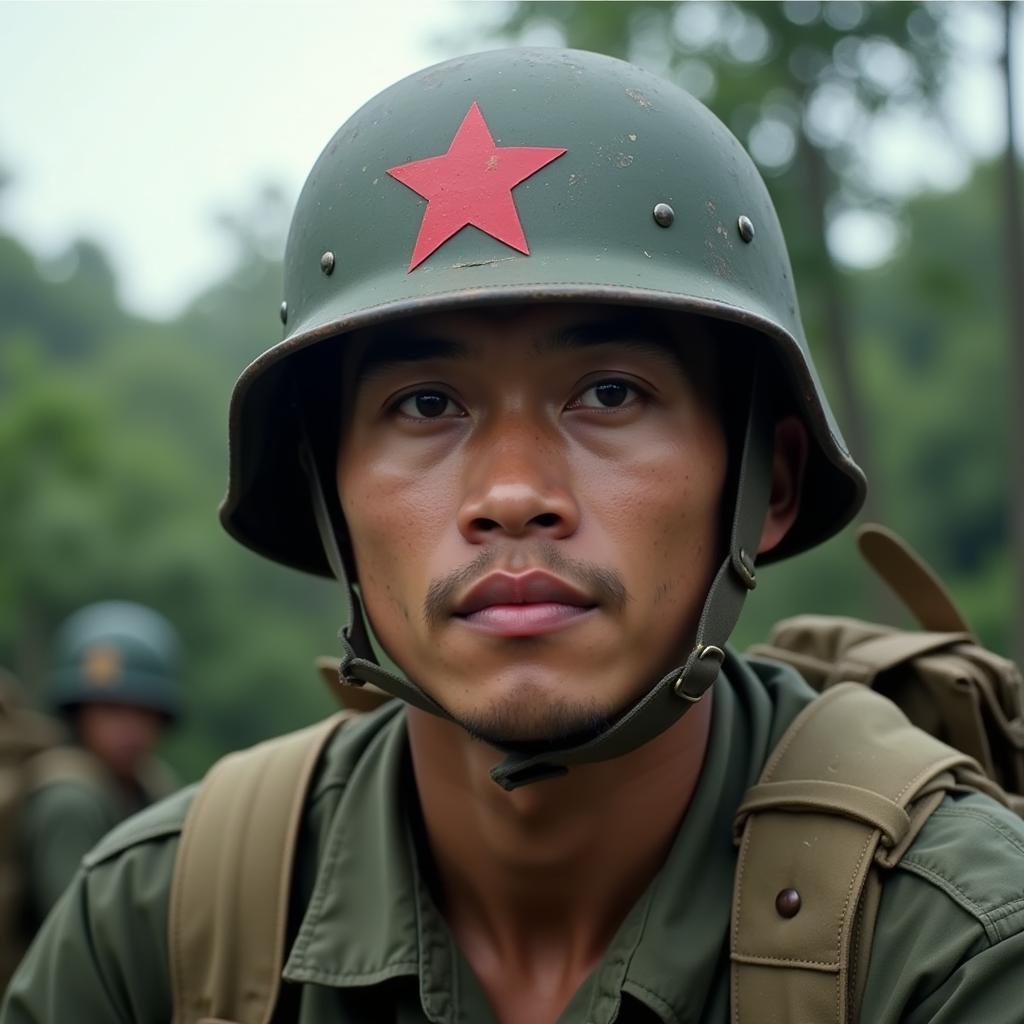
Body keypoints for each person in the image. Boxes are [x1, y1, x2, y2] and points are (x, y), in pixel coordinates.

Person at [4, 47, 1023, 1023]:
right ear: (331, 505)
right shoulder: (158, 924)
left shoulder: (950, 939)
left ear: (769, 484)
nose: (512, 494)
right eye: (426, 403)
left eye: (610, 392)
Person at [21, 600, 180, 924]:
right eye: (111, 711)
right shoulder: (69, 801)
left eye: (142, 711)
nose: (129, 728)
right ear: (79, 714)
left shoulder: (147, 785)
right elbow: (72, 930)